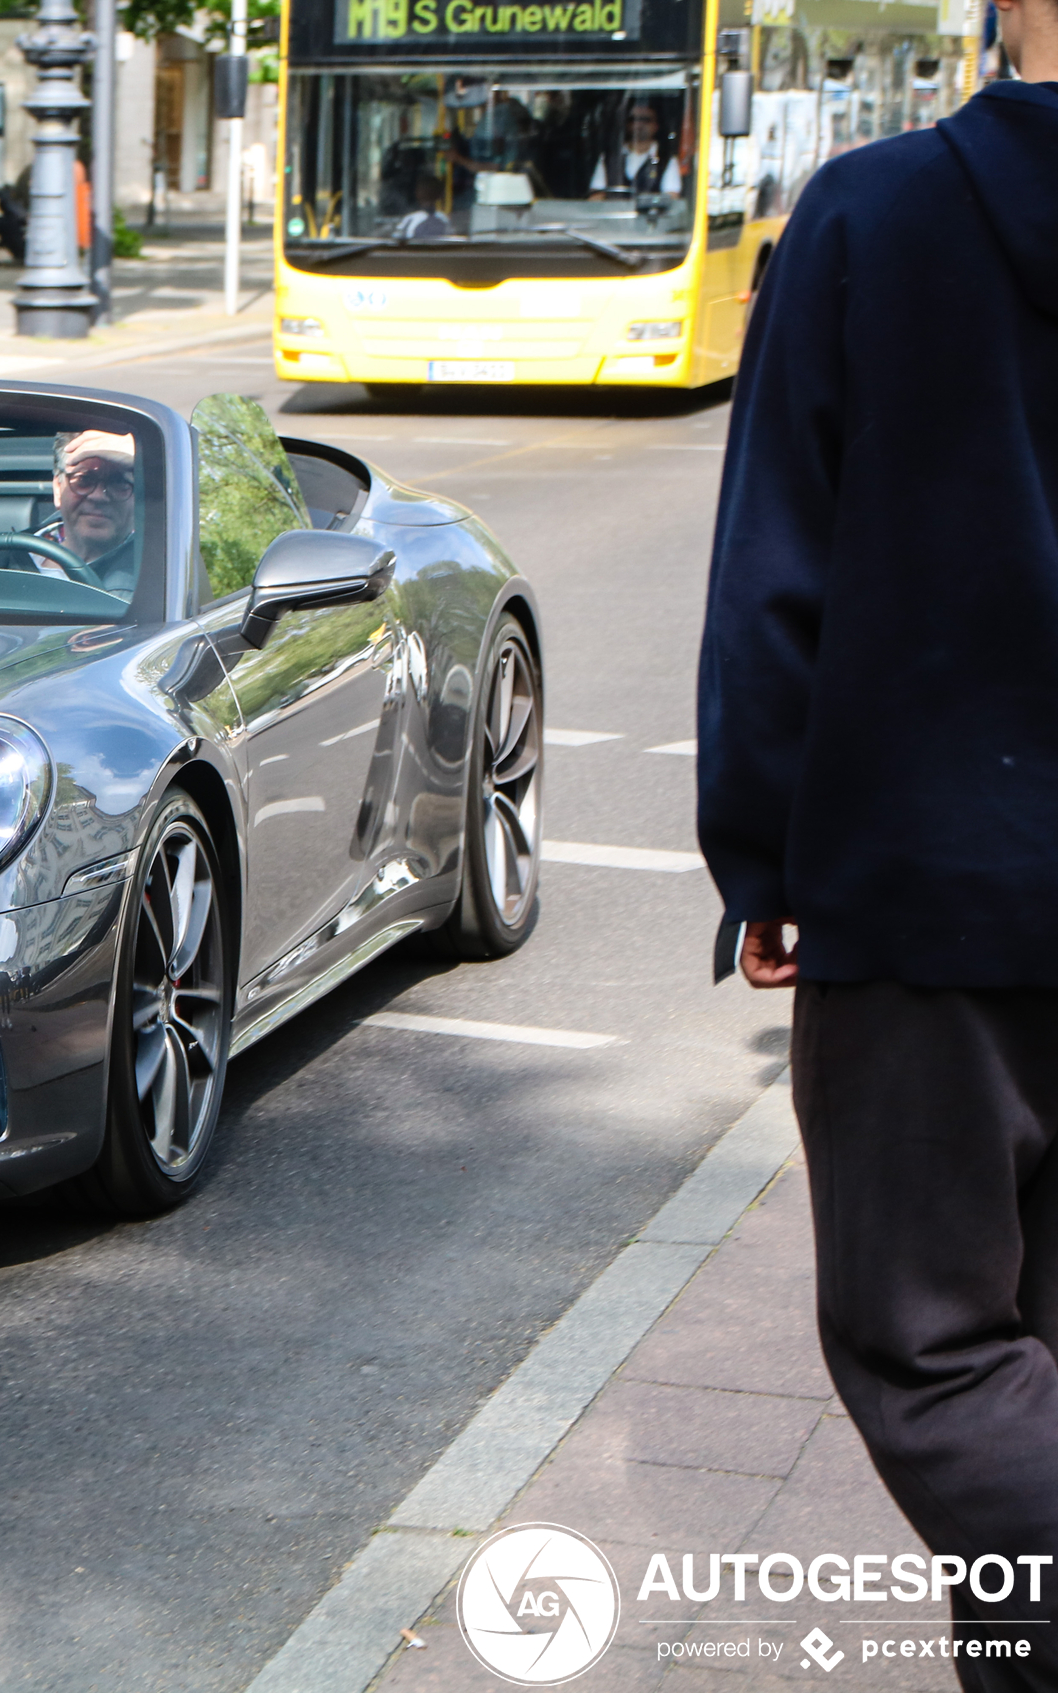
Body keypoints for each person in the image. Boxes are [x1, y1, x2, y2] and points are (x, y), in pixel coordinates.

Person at [697, 0, 1058, 1677]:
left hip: (927, 899)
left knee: (929, 1352)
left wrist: (762, 859)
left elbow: (777, 570)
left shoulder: (869, 214)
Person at [0, 432, 140, 590]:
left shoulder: (157, 566)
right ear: (58, 488)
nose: (98, 496)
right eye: (84, 479)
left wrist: (147, 458)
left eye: (119, 482)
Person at [589, 101, 682, 195]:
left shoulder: (667, 159)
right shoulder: (608, 158)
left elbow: (671, 197)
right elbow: (596, 196)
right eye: (633, 119)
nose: (638, 124)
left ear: (656, 126)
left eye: (645, 120)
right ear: (626, 124)